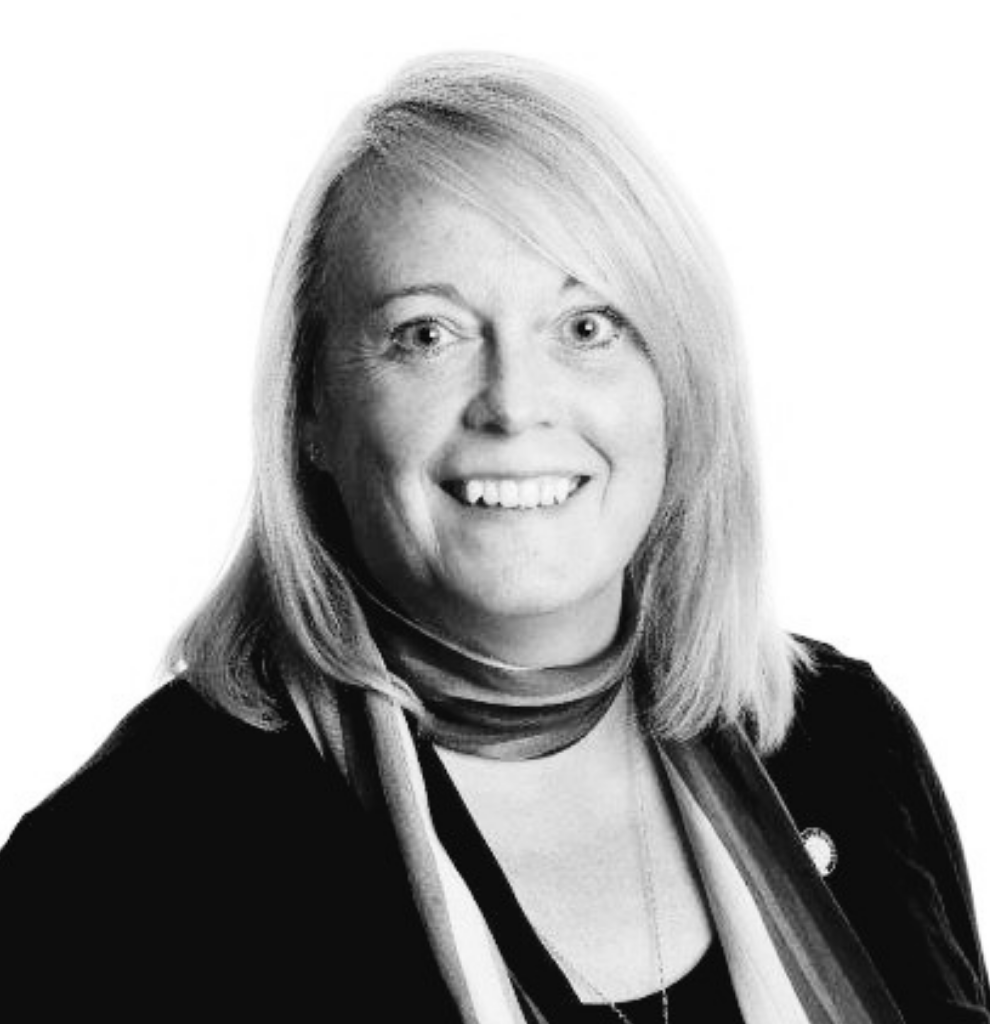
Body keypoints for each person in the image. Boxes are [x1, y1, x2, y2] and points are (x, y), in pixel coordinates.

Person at [1, 51, 986, 1023]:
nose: (515, 405)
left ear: (680, 383)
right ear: (311, 410)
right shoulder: (127, 856)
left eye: (588, 327)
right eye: (427, 335)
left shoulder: (840, 738)